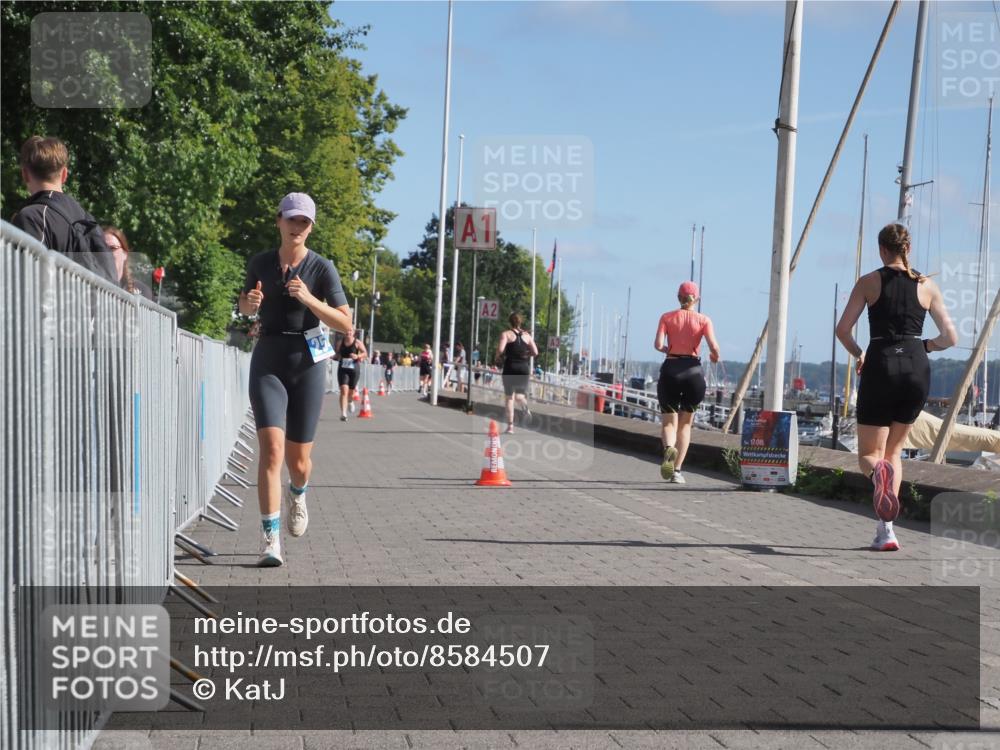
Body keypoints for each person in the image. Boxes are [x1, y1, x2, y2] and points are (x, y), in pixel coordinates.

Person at [238, 192, 352, 567]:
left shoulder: (322, 268)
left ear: (311, 227)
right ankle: (270, 539)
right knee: (271, 451)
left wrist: (309, 300)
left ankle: (298, 493)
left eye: (303, 222)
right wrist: (247, 306)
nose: (296, 227)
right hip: (269, 357)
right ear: (279, 222)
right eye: (291, 220)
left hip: (308, 362)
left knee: (298, 461)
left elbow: (345, 323)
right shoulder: (261, 262)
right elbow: (244, 303)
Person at [836, 222, 956, 552]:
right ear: (909, 249)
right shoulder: (927, 285)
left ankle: (879, 480)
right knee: (894, 453)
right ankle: (886, 531)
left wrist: (858, 353)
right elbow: (951, 337)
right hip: (916, 367)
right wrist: (926, 348)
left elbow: (843, 329)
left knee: (870, 456)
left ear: (882, 250)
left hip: (881, 364)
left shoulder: (869, 282)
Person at [12, 136, 118, 284]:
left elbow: (27, 283)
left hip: (55, 306)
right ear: (64, 175)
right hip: (94, 306)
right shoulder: (86, 219)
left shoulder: (32, 217)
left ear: (24, 174)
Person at [653, 281, 721, 485]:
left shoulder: (666, 317)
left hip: (671, 370)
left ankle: (668, 449)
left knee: (668, 422)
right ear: (696, 299)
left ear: (678, 297)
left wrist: (670, 350)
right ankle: (677, 472)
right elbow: (714, 347)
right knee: (685, 424)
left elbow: (657, 345)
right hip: (693, 372)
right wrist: (715, 356)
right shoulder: (704, 320)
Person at [496, 313, 539, 434]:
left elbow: (500, 349)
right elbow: (535, 352)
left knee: (509, 398)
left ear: (510, 322)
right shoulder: (527, 335)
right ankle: (525, 409)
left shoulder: (506, 334)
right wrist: (525, 355)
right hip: (523, 367)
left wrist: (497, 356)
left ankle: (510, 427)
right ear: (520, 322)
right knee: (519, 396)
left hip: (510, 367)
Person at [103, 225, 153, 300]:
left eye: (112, 248)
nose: (107, 253)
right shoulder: (89, 283)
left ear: (125, 254)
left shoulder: (143, 291)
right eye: (102, 248)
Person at [337, 329, 367, 420]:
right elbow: (337, 354)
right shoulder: (340, 342)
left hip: (354, 369)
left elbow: (365, 353)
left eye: (350, 331)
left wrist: (358, 356)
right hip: (343, 368)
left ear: (353, 332)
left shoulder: (357, 342)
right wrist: (330, 356)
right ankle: (343, 414)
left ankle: (350, 400)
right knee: (343, 390)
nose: (348, 333)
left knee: (351, 391)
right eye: (346, 331)